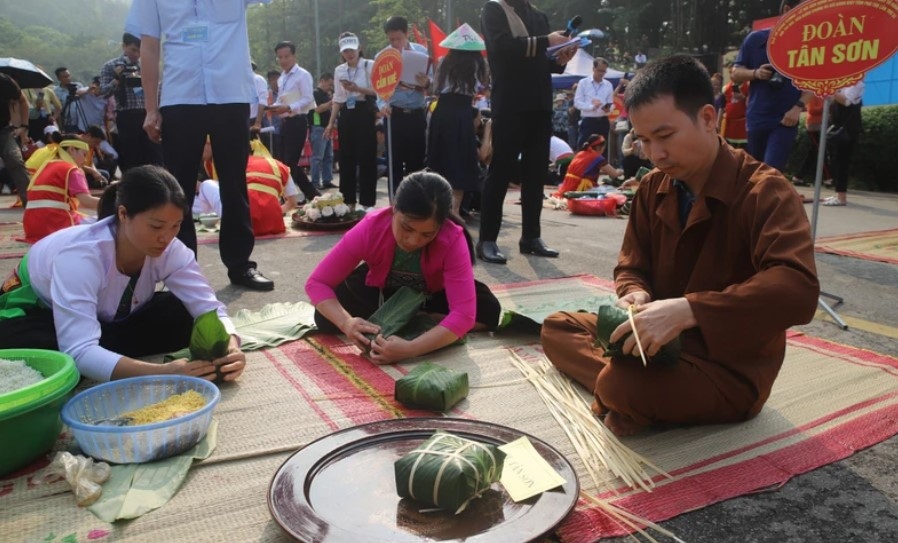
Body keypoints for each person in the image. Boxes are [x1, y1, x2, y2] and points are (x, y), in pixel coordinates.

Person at [540, 55, 820, 437]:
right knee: (558, 327)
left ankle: (623, 393)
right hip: (654, 342)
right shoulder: (654, 187)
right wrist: (635, 293)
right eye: (644, 140)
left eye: (665, 136)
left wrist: (690, 311)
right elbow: (631, 265)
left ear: (707, 118)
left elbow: (797, 290)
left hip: (725, 367)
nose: (655, 154)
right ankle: (625, 397)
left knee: (625, 383)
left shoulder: (765, 191)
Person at [0, 165, 247, 383]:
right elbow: (78, 349)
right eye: (156, 226)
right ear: (123, 214)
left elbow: (208, 308)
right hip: (42, 314)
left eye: (176, 226)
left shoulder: (172, 250)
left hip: (110, 318)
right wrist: (161, 373)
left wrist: (231, 346)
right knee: (49, 352)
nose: (166, 237)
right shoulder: (81, 256)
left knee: (184, 313)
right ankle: (104, 354)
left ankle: (105, 354)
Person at [126, 0, 275, 291]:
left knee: (234, 183)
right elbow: (150, 45)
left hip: (230, 93)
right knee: (178, 189)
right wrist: (151, 108)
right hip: (181, 95)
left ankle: (240, 264)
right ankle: (181, 269)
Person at [306, 171, 501, 364]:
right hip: (383, 291)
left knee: (489, 309)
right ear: (394, 208)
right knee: (324, 317)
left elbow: (464, 315)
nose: (414, 241)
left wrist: (411, 349)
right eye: (407, 228)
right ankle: (424, 324)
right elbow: (317, 283)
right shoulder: (371, 228)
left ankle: (426, 319)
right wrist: (346, 323)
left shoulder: (452, 239)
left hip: (431, 295)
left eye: (427, 235)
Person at [477, 0, 577, 264]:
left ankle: (531, 237)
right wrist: (547, 40)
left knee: (536, 174)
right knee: (500, 171)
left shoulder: (539, 16)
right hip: (510, 104)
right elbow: (502, 48)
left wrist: (561, 57)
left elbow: (545, 63)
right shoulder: (494, 9)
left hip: (540, 103)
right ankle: (487, 239)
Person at [731, 0, 811, 172]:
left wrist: (798, 107)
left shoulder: (809, 45)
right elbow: (735, 73)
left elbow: (816, 83)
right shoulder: (755, 40)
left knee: (771, 172)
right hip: (757, 117)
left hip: (785, 119)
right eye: (805, 10)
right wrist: (755, 73)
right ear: (787, 9)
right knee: (756, 174)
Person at [427, 23, 490, 219]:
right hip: (462, 113)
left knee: (441, 158)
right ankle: (454, 210)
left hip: (443, 111)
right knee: (461, 160)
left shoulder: (443, 61)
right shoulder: (480, 65)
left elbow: (435, 88)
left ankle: (438, 209)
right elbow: (483, 87)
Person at [197, 138, 299, 235]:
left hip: (240, 224)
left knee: (206, 185)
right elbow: (293, 202)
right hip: (274, 224)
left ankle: (207, 217)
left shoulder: (231, 164)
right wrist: (273, 212)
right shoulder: (280, 165)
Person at [325, 32, 379, 211]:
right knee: (346, 159)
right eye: (345, 51)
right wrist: (330, 123)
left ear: (359, 48)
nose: (349, 54)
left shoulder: (369, 65)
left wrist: (358, 88)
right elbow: (338, 98)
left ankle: (367, 202)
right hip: (347, 114)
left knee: (366, 158)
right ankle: (348, 201)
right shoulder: (339, 70)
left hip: (365, 111)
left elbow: (378, 91)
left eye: (352, 50)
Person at [379, 16, 430, 194]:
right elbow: (378, 90)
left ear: (407, 33)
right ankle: (395, 203)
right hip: (394, 115)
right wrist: (382, 106)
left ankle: (414, 200)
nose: (395, 43)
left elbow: (432, 85)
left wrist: (427, 83)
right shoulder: (382, 57)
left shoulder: (422, 53)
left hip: (416, 113)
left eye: (398, 39)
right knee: (394, 161)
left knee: (416, 161)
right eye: (391, 39)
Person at [100, 33, 163, 173]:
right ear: (124, 46)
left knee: (155, 154)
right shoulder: (111, 66)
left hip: (147, 113)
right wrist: (117, 79)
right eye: (134, 49)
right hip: (126, 115)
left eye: (140, 50)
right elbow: (103, 92)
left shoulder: (146, 66)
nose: (137, 54)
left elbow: (158, 89)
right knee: (130, 156)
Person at [22, 135, 100, 243]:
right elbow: (86, 202)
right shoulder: (72, 170)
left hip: (33, 227)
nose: (85, 159)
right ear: (72, 150)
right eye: (84, 154)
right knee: (105, 224)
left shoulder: (47, 165)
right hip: (55, 224)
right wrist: (116, 203)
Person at [271, 40, 320, 203]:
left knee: (289, 162)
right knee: (285, 161)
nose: (283, 60)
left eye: (286, 56)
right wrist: (273, 108)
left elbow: (308, 99)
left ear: (294, 56)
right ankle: (312, 195)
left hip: (298, 121)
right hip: (285, 123)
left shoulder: (302, 75)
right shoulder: (282, 77)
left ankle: (287, 199)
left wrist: (289, 107)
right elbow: (281, 99)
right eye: (280, 57)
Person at [823, 80, 865, 206]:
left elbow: (847, 101)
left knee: (842, 162)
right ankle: (838, 193)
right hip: (837, 128)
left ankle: (842, 197)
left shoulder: (857, 84)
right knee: (836, 161)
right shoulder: (840, 84)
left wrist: (831, 90)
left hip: (848, 130)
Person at [550, 135, 622, 199]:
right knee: (612, 191)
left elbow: (586, 171)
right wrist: (621, 171)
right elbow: (614, 174)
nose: (603, 151)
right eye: (603, 148)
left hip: (567, 186)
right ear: (598, 147)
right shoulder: (597, 157)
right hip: (579, 187)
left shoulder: (580, 153)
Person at [0, 73, 32, 204]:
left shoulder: (4, 81)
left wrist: (24, 126)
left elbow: (23, 101)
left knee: (16, 161)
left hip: (4, 131)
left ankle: (32, 205)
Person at [574, 58, 614, 148]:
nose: (601, 73)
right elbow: (577, 102)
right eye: (599, 70)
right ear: (593, 69)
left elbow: (611, 103)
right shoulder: (583, 83)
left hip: (603, 121)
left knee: (602, 150)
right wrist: (591, 106)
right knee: (583, 148)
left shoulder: (608, 85)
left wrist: (608, 108)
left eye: (604, 71)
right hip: (588, 121)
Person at [791, 95, 828, 187]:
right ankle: (828, 177)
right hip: (814, 127)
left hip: (823, 126)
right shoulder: (813, 94)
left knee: (814, 153)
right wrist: (827, 105)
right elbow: (812, 110)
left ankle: (799, 177)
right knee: (820, 151)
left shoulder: (825, 95)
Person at [309, 72, 336, 190]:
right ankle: (315, 181)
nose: (330, 88)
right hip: (318, 127)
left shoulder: (326, 95)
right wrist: (331, 102)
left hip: (327, 128)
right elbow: (318, 109)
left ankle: (327, 180)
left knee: (328, 156)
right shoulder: (315, 93)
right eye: (329, 85)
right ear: (323, 81)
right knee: (317, 157)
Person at [718, 78, 750, 147]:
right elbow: (721, 107)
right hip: (729, 128)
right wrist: (718, 124)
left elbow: (751, 105)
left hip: (743, 128)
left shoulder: (749, 86)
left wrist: (743, 97)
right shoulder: (725, 88)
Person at [249, 60, 269, 136]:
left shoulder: (258, 80)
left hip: (255, 120)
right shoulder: (241, 82)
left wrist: (257, 123)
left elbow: (262, 101)